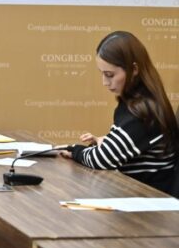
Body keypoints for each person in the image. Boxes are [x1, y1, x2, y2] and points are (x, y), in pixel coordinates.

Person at [60, 30, 178, 193]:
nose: (105, 82)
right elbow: (117, 151)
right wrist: (107, 143)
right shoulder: (142, 104)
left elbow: (102, 160)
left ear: (134, 69)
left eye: (110, 75)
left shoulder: (143, 111)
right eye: (102, 74)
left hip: (151, 201)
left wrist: (74, 150)